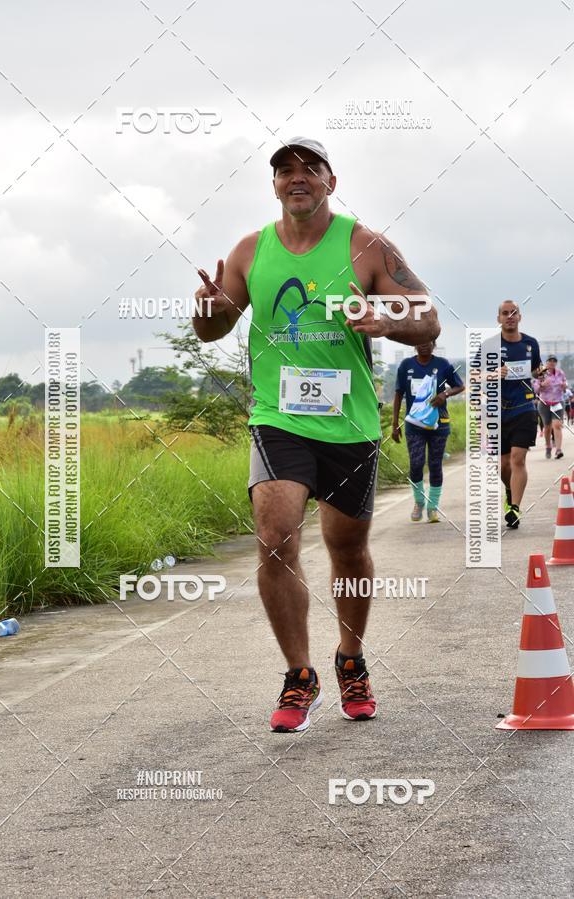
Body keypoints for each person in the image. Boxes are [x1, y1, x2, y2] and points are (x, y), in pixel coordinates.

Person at [193, 137, 439, 732]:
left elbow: (427, 316)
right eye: (284, 171)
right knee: (276, 536)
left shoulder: (367, 247)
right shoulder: (251, 250)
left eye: (310, 169)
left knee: (347, 547)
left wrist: (386, 320)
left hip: (349, 420)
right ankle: (299, 676)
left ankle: (350, 660)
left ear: (331, 179)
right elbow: (214, 327)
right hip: (277, 418)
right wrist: (207, 308)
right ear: (274, 186)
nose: (296, 178)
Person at [392, 341, 464, 522]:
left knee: (435, 464)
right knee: (416, 463)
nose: (424, 345)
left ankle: (433, 507)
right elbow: (399, 394)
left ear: (434, 344)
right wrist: (395, 423)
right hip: (414, 424)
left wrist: (444, 394)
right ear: (414, 345)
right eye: (420, 342)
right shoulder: (406, 365)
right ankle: (419, 502)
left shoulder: (443, 364)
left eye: (428, 342)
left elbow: (460, 386)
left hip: (438, 423)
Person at [498, 301, 544, 529]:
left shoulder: (530, 343)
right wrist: (496, 373)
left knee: (518, 458)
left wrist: (540, 373)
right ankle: (509, 491)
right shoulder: (490, 345)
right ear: (499, 318)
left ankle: (514, 508)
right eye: (505, 313)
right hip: (498, 412)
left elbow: (537, 368)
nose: (510, 316)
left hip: (525, 408)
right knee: (504, 465)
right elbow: (475, 376)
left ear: (520, 317)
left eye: (514, 312)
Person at [535, 355, 567, 459]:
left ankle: (558, 450)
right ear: (546, 362)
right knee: (547, 427)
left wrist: (564, 386)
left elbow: (564, 385)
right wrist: (542, 385)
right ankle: (548, 446)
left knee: (557, 425)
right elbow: (535, 389)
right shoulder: (541, 373)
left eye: (554, 361)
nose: (552, 363)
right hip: (544, 403)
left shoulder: (560, 373)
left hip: (558, 402)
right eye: (550, 361)